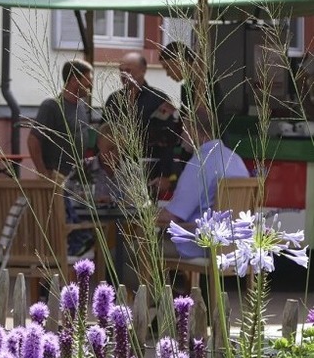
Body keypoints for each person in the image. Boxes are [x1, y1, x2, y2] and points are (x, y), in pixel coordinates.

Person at [158, 107, 249, 259]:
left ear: (193, 131)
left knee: (135, 247)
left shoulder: (200, 163)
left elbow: (172, 216)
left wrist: (143, 215)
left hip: (200, 246)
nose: (181, 136)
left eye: (183, 130)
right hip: (236, 246)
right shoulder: (235, 159)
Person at [101, 51, 179, 189]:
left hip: (150, 170)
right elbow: (103, 136)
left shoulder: (159, 99)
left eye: (129, 70)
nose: (124, 74)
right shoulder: (113, 100)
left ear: (143, 71)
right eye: (121, 71)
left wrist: (165, 174)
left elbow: (169, 140)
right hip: (118, 171)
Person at [28, 59, 94, 180]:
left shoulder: (81, 105)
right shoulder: (52, 106)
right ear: (74, 80)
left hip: (75, 176)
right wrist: (43, 173)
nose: (91, 86)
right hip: (56, 175)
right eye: (88, 82)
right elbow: (33, 140)